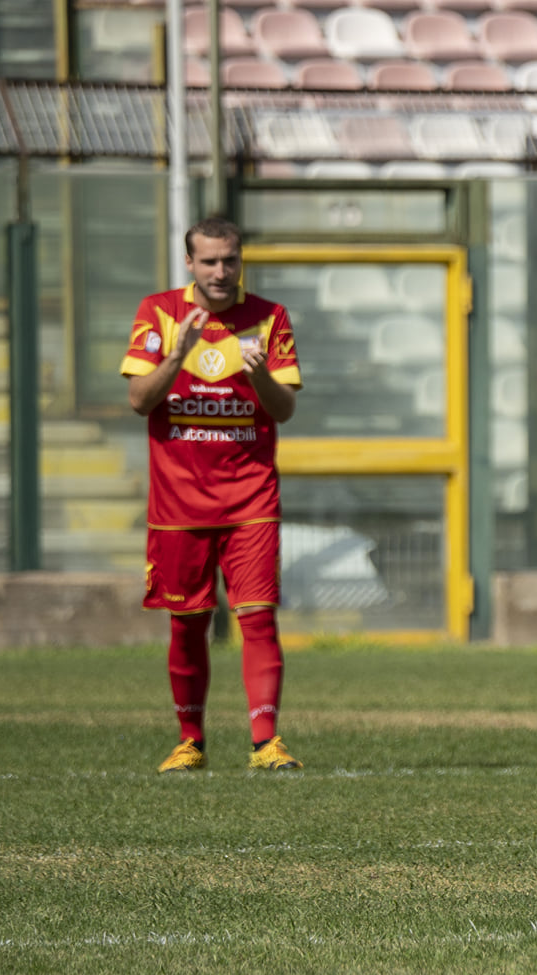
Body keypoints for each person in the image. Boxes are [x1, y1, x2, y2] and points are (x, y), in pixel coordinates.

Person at [122, 216, 305, 773]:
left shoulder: (269, 318)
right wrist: (176, 358)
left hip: (250, 498)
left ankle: (266, 744)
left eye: (230, 259)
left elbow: (285, 409)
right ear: (190, 264)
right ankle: (190, 742)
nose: (221, 271)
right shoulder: (159, 313)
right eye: (209, 261)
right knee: (188, 621)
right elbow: (138, 400)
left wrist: (258, 379)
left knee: (257, 616)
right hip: (178, 504)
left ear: (241, 258)